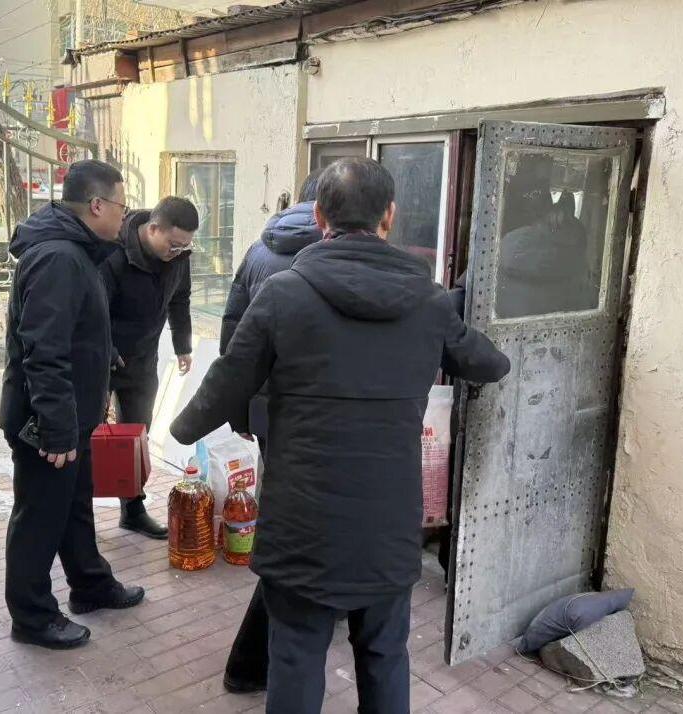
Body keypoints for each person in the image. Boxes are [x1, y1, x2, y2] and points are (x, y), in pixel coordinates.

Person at [170, 157, 510, 713]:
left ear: (320, 217)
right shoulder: (428, 303)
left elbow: (228, 381)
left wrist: (183, 429)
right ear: (389, 217)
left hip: (302, 520)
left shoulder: (283, 294)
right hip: (387, 522)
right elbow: (489, 364)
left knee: (296, 655)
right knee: (384, 654)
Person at [1, 159, 145, 650]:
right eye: (122, 206)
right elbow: (44, 350)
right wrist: (57, 428)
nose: (126, 216)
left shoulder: (77, 251)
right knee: (39, 518)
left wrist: (105, 354)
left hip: (69, 414)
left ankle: (91, 584)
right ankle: (32, 616)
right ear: (98, 205)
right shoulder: (59, 257)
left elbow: (74, 329)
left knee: (73, 506)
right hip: (46, 421)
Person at [218, 169, 324, 693]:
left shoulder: (261, 250)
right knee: (305, 524)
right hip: (318, 414)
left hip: (268, 406)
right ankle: (258, 652)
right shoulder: (334, 255)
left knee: (284, 505)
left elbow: (232, 327)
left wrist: (240, 407)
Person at [100, 196, 200, 539]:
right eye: (173, 244)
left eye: (185, 245)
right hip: (102, 358)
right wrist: (108, 354)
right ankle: (76, 516)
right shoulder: (114, 253)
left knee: (135, 437)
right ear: (153, 228)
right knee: (90, 438)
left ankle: (132, 510)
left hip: (142, 361)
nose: (178, 251)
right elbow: (95, 311)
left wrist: (183, 345)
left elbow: (180, 299)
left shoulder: (179, 256)